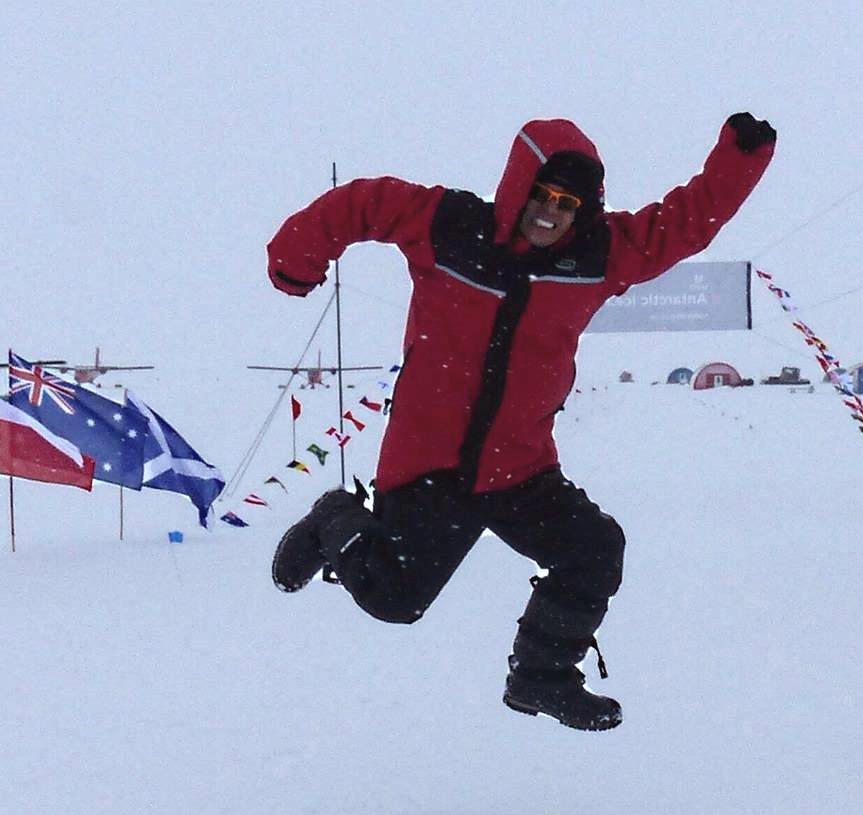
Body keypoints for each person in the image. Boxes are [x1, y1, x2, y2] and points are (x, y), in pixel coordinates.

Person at [266, 112, 776, 731]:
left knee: (594, 549)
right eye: (542, 193)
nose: (550, 210)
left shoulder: (600, 255)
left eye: (566, 202)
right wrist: (298, 257)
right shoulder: (449, 226)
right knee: (393, 601)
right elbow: (360, 204)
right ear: (518, 186)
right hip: (430, 463)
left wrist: (739, 159)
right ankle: (334, 520)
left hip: (519, 467)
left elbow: (685, 223)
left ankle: (540, 676)